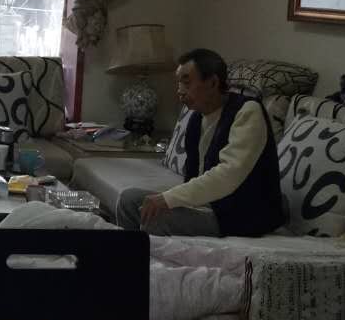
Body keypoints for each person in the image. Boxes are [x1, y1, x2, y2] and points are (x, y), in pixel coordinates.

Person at [116, 48, 285, 237]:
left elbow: (228, 175)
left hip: (240, 214)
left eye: (186, 82)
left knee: (156, 218)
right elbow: (193, 174)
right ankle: (129, 252)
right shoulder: (197, 118)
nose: (179, 91)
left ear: (212, 82)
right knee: (128, 200)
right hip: (207, 205)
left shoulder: (248, 111)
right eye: (179, 82)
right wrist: (172, 200)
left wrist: (167, 199)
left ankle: (143, 254)